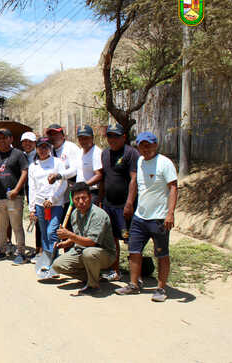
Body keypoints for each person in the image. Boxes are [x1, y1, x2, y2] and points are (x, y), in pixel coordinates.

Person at [116, 132, 178, 303]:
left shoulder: (165, 163)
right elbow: (136, 183)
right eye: (142, 145)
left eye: (149, 144)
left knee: (161, 254)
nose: (146, 148)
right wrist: (129, 203)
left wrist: (170, 213)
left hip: (159, 218)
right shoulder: (140, 161)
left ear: (156, 145)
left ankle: (161, 288)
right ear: (138, 147)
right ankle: (134, 284)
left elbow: (173, 188)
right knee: (134, 251)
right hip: (140, 217)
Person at [51, 182, 117, 295]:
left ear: (90, 197)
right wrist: (65, 243)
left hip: (104, 253)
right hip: (82, 251)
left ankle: (93, 286)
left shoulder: (98, 214)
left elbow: (91, 242)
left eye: (84, 198)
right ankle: (96, 277)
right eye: (77, 199)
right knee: (57, 265)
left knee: (89, 253)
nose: (81, 201)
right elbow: (80, 235)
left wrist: (69, 235)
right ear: (73, 200)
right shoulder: (74, 214)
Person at [99, 123, 140, 282]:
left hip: (125, 206)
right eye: (109, 136)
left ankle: (136, 275)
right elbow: (103, 178)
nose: (112, 139)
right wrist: (101, 200)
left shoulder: (131, 153)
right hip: (109, 204)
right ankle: (115, 270)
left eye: (116, 136)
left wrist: (130, 203)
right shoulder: (105, 153)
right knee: (112, 239)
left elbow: (134, 179)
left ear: (124, 137)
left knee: (131, 240)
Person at [0, 129, 29, 264]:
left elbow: (24, 172)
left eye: (5, 138)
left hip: (14, 197)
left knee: (16, 226)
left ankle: (21, 253)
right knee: (1, 226)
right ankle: (1, 251)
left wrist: (16, 190)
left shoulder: (18, 154)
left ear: (10, 139)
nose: (2, 141)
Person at [28, 137, 67, 279]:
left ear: (50, 148)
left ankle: (53, 263)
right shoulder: (34, 166)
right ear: (36, 148)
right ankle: (48, 264)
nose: (43, 150)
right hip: (39, 204)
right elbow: (32, 188)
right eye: (40, 147)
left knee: (52, 232)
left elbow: (63, 183)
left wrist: (52, 199)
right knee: (44, 234)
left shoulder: (57, 163)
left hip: (55, 204)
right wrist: (31, 209)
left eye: (46, 147)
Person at [45, 123, 82, 220]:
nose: (53, 137)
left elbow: (75, 169)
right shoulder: (49, 150)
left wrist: (59, 176)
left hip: (72, 192)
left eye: (55, 134)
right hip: (56, 194)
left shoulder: (71, 148)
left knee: (71, 221)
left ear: (62, 135)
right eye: (50, 134)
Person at [21, 131, 41, 256]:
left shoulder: (39, 155)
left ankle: (41, 249)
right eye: (25, 142)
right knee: (35, 218)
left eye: (30, 142)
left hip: (40, 190)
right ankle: (38, 247)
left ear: (35, 143)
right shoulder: (22, 155)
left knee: (41, 220)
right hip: (29, 190)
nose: (27, 144)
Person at [75, 125, 103, 205]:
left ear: (92, 138)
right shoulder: (80, 152)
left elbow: (99, 175)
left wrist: (83, 185)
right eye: (80, 138)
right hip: (79, 192)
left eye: (86, 138)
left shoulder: (96, 153)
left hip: (91, 193)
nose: (83, 141)